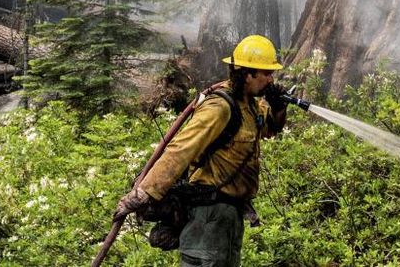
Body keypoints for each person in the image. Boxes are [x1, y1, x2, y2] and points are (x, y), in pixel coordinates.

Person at [114, 35, 290, 267]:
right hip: (208, 216)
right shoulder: (220, 107)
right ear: (248, 74)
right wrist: (144, 192)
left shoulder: (250, 104)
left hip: (229, 218)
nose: (271, 79)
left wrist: (278, 108)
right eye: (266, 73)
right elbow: (182, 148)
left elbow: (267, 129)